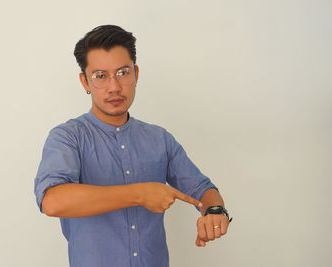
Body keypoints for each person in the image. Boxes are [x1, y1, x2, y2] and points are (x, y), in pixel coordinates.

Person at [34, 24, 231, 267]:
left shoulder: (159, 139)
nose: (114, 87)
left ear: (136, 74)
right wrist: (140, 194)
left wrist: (214, 212)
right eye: (100, 76)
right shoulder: (67, 137)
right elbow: (52, 201)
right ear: (84, 82)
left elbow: (203, 190)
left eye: (122, 72)